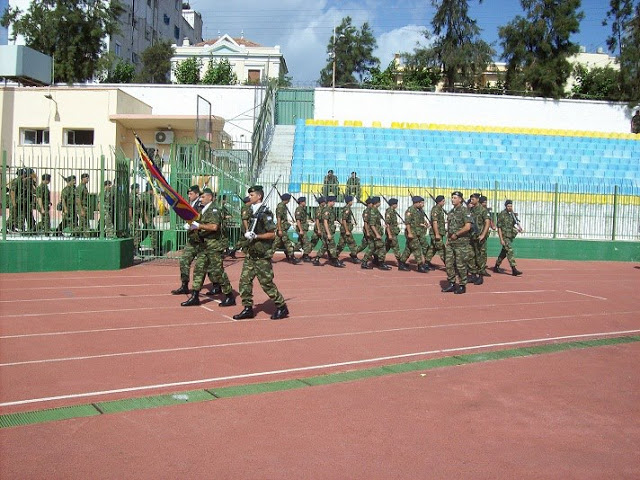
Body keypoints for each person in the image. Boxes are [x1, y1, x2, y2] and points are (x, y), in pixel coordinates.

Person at [233, 185, 289, 320]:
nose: (249, 197)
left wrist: (256, 236)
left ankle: (281, 307)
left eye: (252, 195)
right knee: (244, 282)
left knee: (266, 283)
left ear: (259, 196)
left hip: (262, 255)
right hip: (251, 254)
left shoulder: (265, 214)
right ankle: (247, 308)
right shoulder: (251, 211)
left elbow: (272, 234)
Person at [180, 188, 236, 307]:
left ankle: (229, 295)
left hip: (214, 245)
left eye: (203, 197)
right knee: (199, 269)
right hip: (204, 245)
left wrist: (198, 226)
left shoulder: (214, 209)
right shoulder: (203, 209)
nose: (201, 199)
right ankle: (195, 296)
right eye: (200, 197)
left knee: (217, 271)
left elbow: (214, 227)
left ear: (210, 197)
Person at [171, 185, 203, 295]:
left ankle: (217, 285)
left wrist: (193, 224)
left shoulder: (200, 204)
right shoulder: (190, 204)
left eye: (191, 194)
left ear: (197, 194)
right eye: (188, 194)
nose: (189, 196)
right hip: (193, 239)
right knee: (184, 260)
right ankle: (184, 285)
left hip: (202, 239)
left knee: (211, 267)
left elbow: (202, 218)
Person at [442, 191, 472, 294]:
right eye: (452, 197)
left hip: (461, 243)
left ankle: (462, 285)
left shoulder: (465, 211)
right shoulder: (451, 212)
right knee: (449, 263)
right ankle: (451, 283)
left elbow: (468, 226)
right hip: (451, 242)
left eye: (455, 198)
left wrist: (457, 234)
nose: (452, 199)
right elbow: (449, 228)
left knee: (460, 265)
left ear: (460, 199)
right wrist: (447, 240)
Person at [398, 196, 429, 273]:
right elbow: (407, 223)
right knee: (416, 248)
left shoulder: (419, 210)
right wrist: (410, 233)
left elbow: (420, 220)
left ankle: (401, 263)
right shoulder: (410, 211)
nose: (422, 204)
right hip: (412, 232)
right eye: (421, 203)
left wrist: (425, 222)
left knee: (408, 249)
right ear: (417, 203)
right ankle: (420, 265)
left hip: (418, 232)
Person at [313, 195, 345, 267]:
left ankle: (317, 259)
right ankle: (335, 260)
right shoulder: (326, 210)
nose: (334, 203)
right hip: (327, 231)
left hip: (329, 231)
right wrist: (328, 233)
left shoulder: (330, 209)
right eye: (333, 201)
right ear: (330, 201)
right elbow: (325, 222)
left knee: (325, 246)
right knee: (332, 245)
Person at [494, 199, 523, 276]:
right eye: (508, 206)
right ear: (505, 206)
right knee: (510, 251)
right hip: (504, 236)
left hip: (510, 236)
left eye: (511, 206)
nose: (510, 207)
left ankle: (496, 266)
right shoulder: (502, 214)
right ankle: (514, 269)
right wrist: (501, 239)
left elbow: (512, 225)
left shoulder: (511, 215)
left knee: (504, 252)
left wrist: (518, 228)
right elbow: (499, 227)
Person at [467, 193, 491, 285]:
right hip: (472, 236)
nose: (471, 200)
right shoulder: (472, 209)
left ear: (477, 199)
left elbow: (487, 222)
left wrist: (483, 234)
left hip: (479, 236)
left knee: (480, 256)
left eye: (473, 199)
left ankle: (480, 276)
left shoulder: (483, 210)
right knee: (471, 256)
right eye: (471, 199)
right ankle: (473, 274)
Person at [269, 193, 300, 264]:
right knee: (287, 243)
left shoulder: (283, 206)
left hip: (283, 228)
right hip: (281, 228)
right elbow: (278, 218)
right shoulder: (281, 206)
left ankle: (267, 257)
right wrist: (279, 229)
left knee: (276, 244)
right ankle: (292, 257)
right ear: (287, 199)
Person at [361, 196, 391, 270]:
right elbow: (372, 224)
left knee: (372, 247)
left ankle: (364, 262)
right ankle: (381, 263)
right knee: (382, 247)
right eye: (379, 202)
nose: (380, 203)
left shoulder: (374, 210)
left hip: (374, 232)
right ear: (377, 203)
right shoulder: (373, 211)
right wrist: (377, 234)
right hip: (375, 233)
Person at [424, 195, 446, 270]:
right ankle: (450, 266)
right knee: (442, 250)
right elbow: (435, 222)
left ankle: (426, 263)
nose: (444, 202)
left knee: (433, 248)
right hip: (436, 233)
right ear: (439, 202)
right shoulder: (436, 209)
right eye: (443, 201)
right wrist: (437, 234)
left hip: (439, 232)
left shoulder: (440, 209)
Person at [335, 194, 360, 263]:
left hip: (345, 228)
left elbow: (341, 219)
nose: (352, 202)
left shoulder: (345, 208)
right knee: (352, 244)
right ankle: (354, 256)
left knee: (341, 244)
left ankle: (334, 256)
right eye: (351, 201)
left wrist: (350, 223)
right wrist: (346, 230)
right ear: (349, 201)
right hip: (346, 230)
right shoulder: (347, 209)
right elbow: (344, 220)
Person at [138, 183, 159, 256]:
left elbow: (152, 207)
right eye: (152, 190)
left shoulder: (150, 196)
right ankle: (155, 249)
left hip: (150, 216)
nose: (153, 192)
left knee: (145, 232)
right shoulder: (145, 196)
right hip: (147, 217)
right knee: (153, 232)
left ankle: (136, 244)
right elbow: (143, 208)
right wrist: (146, 218)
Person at [384, 198, 403, 267]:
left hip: (393, 232)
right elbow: (387, 224)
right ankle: (400, 262)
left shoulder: (393, 211)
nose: (397, 205)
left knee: (386, 247)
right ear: (393, 204)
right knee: (396, 247)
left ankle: (378, 258)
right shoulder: (389, 212)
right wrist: (389, 234)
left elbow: (392, 222)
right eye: (396, 204)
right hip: (391, 233)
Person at [294, 196, 313, 262]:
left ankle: (290, 251)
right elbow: (298, 220)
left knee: (299, 243)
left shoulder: (302, 209)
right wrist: (301, 230)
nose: (305, 203)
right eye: (304, 201)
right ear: (301, 202)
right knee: (307, 242)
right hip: (301, 229)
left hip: (303, 228)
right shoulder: (299, 209)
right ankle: (305, 256)